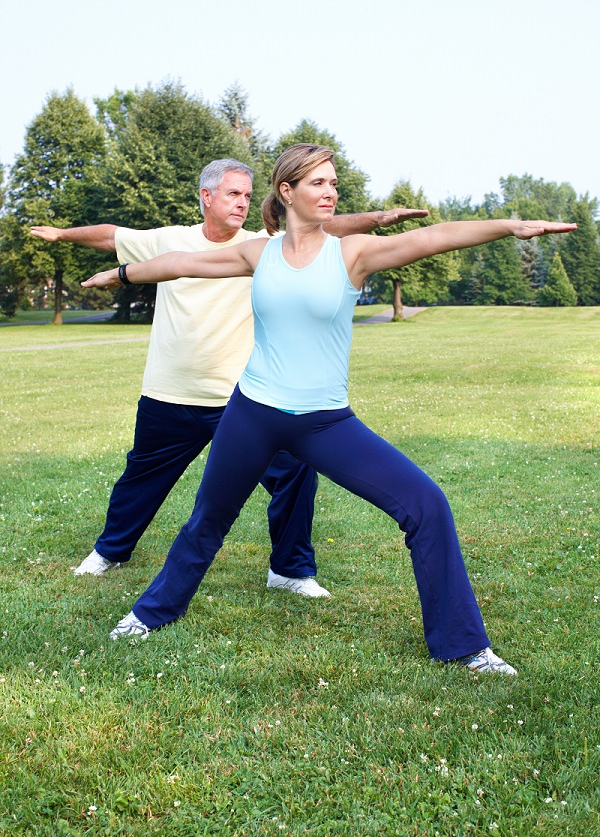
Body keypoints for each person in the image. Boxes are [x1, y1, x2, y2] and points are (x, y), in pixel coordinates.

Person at [81, 143, 576, 671]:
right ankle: (151, 613)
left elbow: (434, 237)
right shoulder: (259, 253)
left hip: (324, 421)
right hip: (252, 413)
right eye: (317, 183)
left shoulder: (352, 251)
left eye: (333, 183)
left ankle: (464, 646)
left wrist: (508, 226)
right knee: (207, 520)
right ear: (287, 191)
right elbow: (184, 263)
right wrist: (124, 275)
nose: (331, 192)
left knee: (427, 505)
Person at [32, 158, 426, 597]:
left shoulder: (264, 243)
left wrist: (379, 219)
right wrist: (62, 234)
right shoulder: (168, 240)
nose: (243, 202)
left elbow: (324, 225)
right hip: (171, 391)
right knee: (141, 477)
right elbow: (110, 236)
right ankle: (111, 550)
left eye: (247, 194)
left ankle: (291, 570)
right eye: (233, 194)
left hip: (246, 402)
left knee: (295, 475)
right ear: (207, 196)